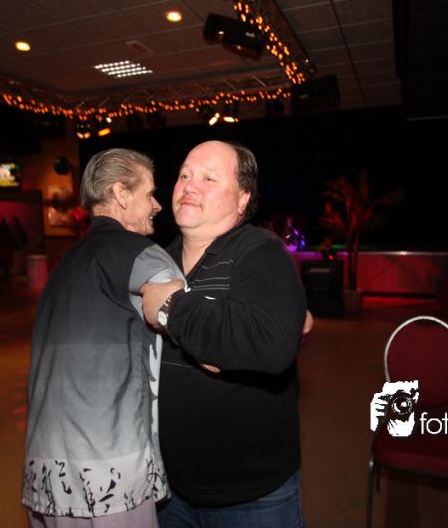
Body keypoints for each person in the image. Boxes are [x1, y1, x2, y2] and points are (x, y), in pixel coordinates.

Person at [140, 140, 308, 527]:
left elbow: (268, 344)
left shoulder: (261, 252)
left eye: (209, 178)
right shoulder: (155, 260)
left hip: (251, 497)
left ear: (242, 198)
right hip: (168, 490)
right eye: (184, 175)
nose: (189, 185)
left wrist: (171, 308)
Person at [22, 149, 184, 527]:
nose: (158, 205)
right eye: (149, 194)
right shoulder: (139, 254)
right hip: (107, 472)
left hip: (46, 470)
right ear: (121, 194)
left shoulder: (66, 262)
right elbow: (193, 324)